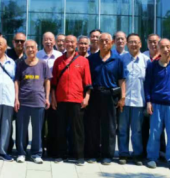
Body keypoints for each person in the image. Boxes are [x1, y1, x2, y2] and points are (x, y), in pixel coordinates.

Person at [144, 38, 170, 170]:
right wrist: (148, 102)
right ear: (158, 49)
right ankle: (152, 157)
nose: (165, 49)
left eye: (168, 46)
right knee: (154, 133)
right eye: (162, 47)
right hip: (156, 104)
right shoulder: (152, 66)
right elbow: (147, 85)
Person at [50, 35, 91, 165]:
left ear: (76, 44)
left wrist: (87, 98)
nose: (69, 44)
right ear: (64, 44)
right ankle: (60, 155)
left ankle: (79, 156)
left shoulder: (83, 61)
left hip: (77, 99)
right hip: (61, 99)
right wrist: (53, 98)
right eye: (67, 42)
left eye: (72, 42)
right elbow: (53, 83)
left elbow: (88, 83)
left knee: (77, 129)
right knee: (60, 128)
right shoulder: (58, 61)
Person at [87, 33, 125, 165]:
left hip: (110, 95)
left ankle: (107, 155)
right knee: (93, 125)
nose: (104, 43)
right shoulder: (91, 59)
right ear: (97, 43)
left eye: (106, 41)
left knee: (109, 126)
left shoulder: (118, 59)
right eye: (101, 40)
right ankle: (93, 153)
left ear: (112, 43)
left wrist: (122, 97)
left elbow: (121, 79)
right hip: (95, 94)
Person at [15, 39, 51, 164]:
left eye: (32, 47)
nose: (30, 49)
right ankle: (21, 153)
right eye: (28, 47)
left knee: (37, 129)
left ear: (36, 49)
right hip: (23, 101)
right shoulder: (20, 64)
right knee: (21, 129)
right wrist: (16, 98)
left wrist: (47, 98)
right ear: (24, 50)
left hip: (38, 101)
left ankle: (36, 153)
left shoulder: (43, 64)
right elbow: (16, 81)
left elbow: (47, 81)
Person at [119, 34, 149, 165]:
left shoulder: (146, 61)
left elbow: (149, 82)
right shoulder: (121, 59)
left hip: (139, 101)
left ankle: (137, 154)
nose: (133, 44)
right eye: (131, 42)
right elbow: (119, 79)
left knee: (137, 131)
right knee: (122, 129)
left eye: (136, 42)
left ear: (140, 44)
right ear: (127, 44)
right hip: (124, 101)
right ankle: (123, 153)